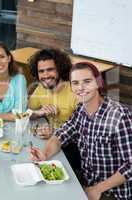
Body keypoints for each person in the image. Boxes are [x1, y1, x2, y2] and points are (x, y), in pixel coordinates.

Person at [30, 62, 132, 200]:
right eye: (75, 83)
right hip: (87, 183)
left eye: (87, 81)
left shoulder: (119, 116)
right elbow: (61, 134)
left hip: (113, 193)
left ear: (98, 82)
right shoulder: (80, 111)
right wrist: (44, 154)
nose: (80, 88)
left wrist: (97, 189)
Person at [28, 48, 77, 139]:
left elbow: (84, 130)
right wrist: (38, 113)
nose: (45, 75)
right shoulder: (41, 88)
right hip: (50, 139)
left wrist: (55, 132)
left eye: (50, 69)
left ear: (60, 69)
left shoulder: (75, 92)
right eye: (41, 71)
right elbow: (26, 113)